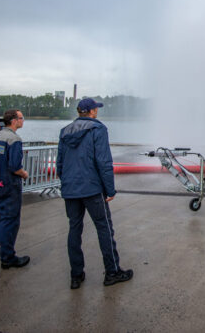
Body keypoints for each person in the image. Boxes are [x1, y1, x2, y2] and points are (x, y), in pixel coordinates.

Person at [57, 98, 132, 289]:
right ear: (91, 111)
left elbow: (60, 163)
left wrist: (66, 182)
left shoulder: (64, 131)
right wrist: (109, 189)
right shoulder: (98, 129)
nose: (97, 111)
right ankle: (112, 272)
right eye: (96, 109)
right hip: (91, 188)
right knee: (104, 228)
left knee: (74, 229)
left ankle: (76, 275)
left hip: (70, 188)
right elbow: (104, 162)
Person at [0, 109, 30, 268]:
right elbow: (15, 166)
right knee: (9, 220)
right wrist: (24, 174)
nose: (23, 121)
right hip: (9, 185)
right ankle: (8, 257)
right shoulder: (14, 139)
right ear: (14, 120)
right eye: (22, 118)